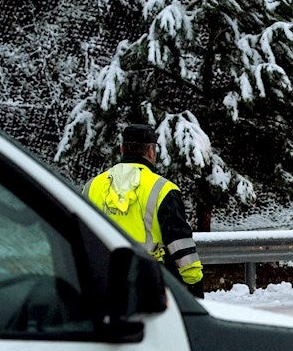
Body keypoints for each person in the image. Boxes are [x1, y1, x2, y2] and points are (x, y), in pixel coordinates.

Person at [85, 123, 204, 298]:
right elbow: (179, 242)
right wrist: (193, 281)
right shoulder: (162, 189)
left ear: (122, 149)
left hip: (102, 280)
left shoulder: (91, 186)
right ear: (151, 151)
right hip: (148, 283)